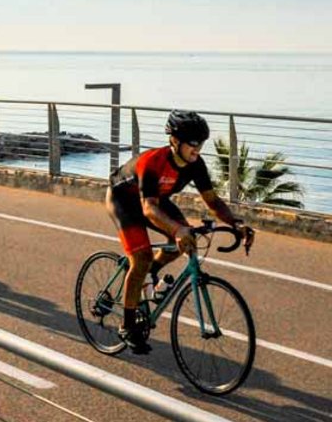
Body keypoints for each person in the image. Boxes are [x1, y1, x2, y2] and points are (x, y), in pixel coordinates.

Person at [106, 110, 255, 354]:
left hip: (155, 200)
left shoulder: (196, 164)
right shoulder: (152, 162)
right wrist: (176, 229)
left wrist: (236, 224)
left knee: (185, 240)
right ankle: (127, 324)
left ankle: (151, 273)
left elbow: (212, 201)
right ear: (174, 141)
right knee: (141, 258)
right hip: (124, 201)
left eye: (202, 143)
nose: (198, 149)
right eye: (193, 143)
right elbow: (148, 209)